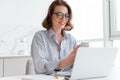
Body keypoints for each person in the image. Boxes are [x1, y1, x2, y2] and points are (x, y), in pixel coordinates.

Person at [31, 0, 80, 75]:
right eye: (59, 14)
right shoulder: (40, 37)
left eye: (66, 15)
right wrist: (63, 63)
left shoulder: (71, 39)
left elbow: (77, 67)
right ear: (50, 16)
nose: (64, 19)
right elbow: (40, 68)